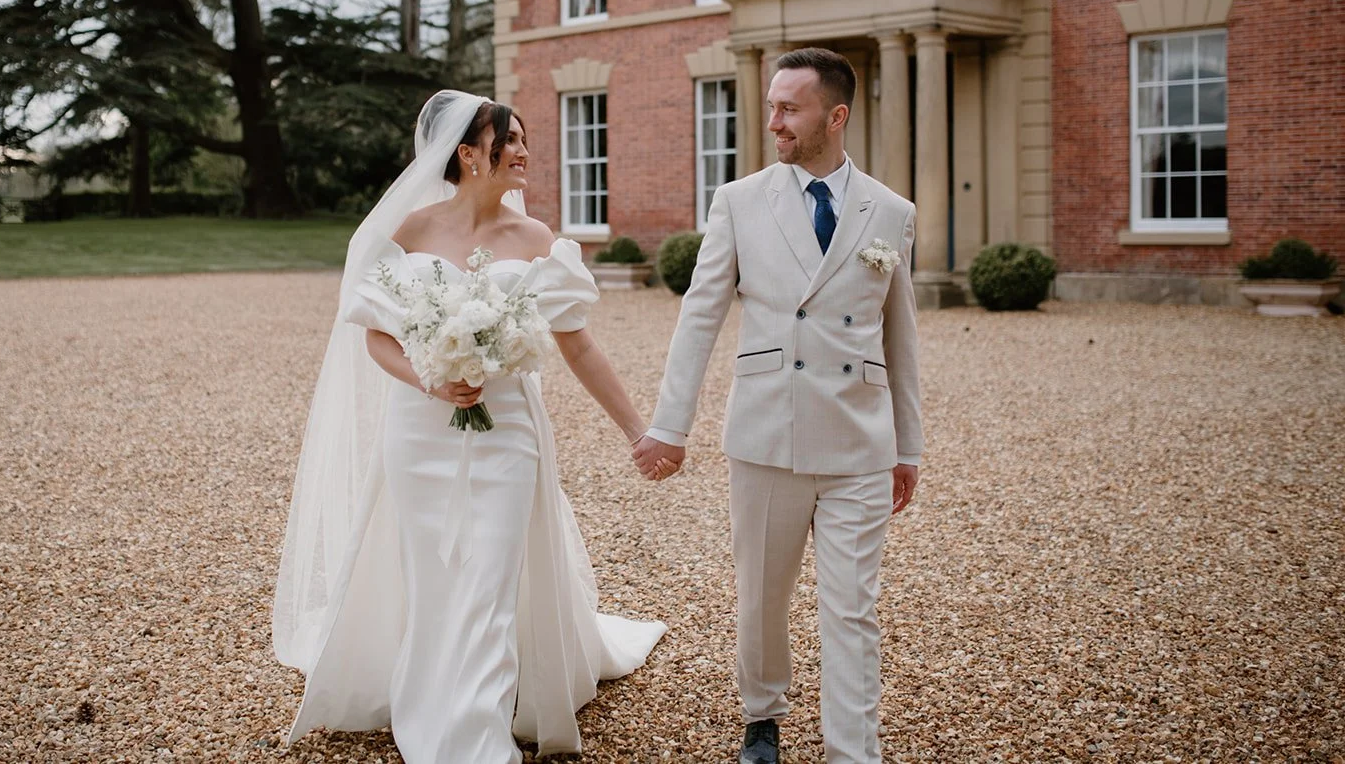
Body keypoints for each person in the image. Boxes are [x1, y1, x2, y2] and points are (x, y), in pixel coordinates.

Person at [273, 90, 666, 764]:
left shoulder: (536, 240)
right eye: (510, 140)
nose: (524, 152)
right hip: (418, 434)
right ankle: (427, 697)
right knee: (433, 577)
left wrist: (639, 430)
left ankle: (473, 738)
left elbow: (579, 347)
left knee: (488, 578)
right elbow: (377, 338)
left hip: (508, 430)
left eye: (524, 139)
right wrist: (432, 377)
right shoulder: (410, 232)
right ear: (467, 154)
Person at [633, 48, 923, 764]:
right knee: (762, 598)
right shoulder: (739, 200)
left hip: (859, 440)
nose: (773, 121)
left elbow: (901, 332)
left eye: (788, 108)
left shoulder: (891, 211)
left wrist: (907, 446)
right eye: (771, 106)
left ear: (836, 115)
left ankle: (853, 752)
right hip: (766, 435)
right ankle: (762, 715)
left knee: (853, 610)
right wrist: (671, 425)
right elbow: (700, 316)